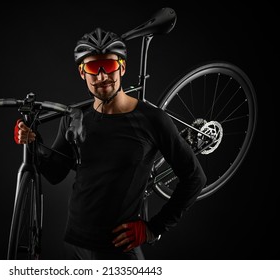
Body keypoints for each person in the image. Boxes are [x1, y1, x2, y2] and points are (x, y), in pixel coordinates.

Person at [14, 27, 206, 260]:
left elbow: (195, 177)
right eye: (94, 68)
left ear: (122, 68)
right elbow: (55, 173)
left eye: (110, 66)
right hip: (73, 245)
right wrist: (34, 142)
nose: (102, 76)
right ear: (82, 73)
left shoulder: (153, 120)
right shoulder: (74, 117)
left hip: (118, 252)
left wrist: (154, 228)